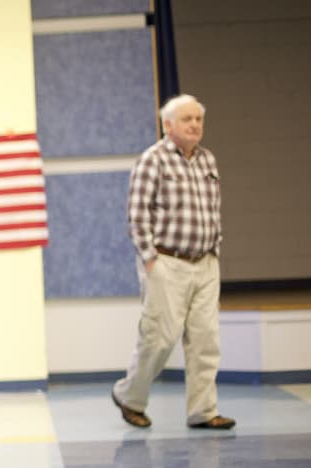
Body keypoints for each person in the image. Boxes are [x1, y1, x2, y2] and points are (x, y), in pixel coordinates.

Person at [112, 94, 235, 430]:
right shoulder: (153, 160)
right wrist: (150, 260)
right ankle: (129, 397)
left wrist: (215, 250)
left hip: (206, 263)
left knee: (206, 338)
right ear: (168, 125)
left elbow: (213, 210)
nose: (195, 125)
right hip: (167, 262)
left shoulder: (208, 160)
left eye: (198, 119)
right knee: (160, 338)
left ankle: (203, 411)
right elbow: (137, 215)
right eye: (187, 119)